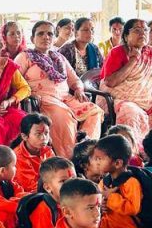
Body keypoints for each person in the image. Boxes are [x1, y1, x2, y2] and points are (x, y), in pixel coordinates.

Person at [15, 21, 103, 158]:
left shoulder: (59, 57)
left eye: (50, 34)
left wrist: (79, 89)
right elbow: (14, 81)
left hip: (65, 97)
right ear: (32, 39)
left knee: (94, 111)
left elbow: (74, 79)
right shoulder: (24, 57)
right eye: (41, 34)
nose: (46, 37)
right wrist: (29, 94)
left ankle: (85, 150)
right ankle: (69, 158)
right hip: (43, 99)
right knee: (63, 114)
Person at [99, 18, 152, 149]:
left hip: (150, 100)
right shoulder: (117, 52)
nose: (143, 33)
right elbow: (111, 82)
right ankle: (134, 153)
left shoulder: (151, 52)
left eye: (145, 30)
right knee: (131, 112)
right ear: (126, 36)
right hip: (124, 99)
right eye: (137, 30)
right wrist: (133, 60)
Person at [89, 135, 152, 228]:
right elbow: (98, 203)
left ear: (118, 163)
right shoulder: (104, 182)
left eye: (100, 159)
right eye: (96, 159)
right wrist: (101, 207)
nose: (96, 163)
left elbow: (133, 208)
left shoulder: (131, 182)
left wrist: (111, 197)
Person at [17, 156, 75, 228]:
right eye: (63, 181)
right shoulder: (43, 209)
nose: (70, 185)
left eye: (73, 180)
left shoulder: (75, 202)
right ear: (48, 188)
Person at [12, 113, 56, 191]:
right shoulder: (18, 157)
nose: (44, 138)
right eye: (38, 134)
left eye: (46, 133)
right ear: (24, 136)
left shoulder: (47, 150)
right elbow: (31, 188)